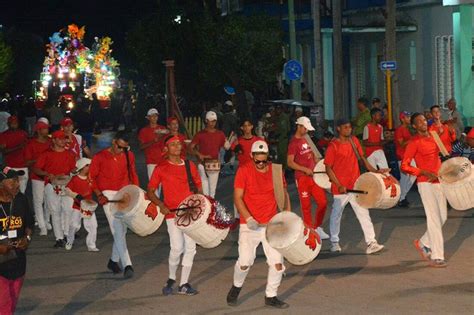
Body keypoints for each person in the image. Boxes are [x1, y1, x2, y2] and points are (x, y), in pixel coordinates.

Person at [226, 140, 291, 309]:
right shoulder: (244, 170)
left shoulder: (276, 171)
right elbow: (237, 197)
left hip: (271, 224)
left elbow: (284, 195)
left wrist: (287, 216)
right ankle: (236, 286)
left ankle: (271, 296)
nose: (261, 164)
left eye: (264, 160)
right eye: (258, 160)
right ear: (251, 156)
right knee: (245, 262)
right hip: (250, 225)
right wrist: (248, 218)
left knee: (277, 265)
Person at [147, 135, 203, 296]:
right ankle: (171, 278)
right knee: (177, 248)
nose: (177, 146)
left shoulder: (189, 165)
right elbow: (150, 191)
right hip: (171, 213)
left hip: (190, 212)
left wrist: (199, 201)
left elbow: (198, 185)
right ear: (166, 149)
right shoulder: (161, 167)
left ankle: (184, 284)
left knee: (191, 248)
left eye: (179, 144)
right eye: (173, 144)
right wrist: (161, 205)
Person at [324, 118, 386, 254]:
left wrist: (375, 171)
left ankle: (371, 243)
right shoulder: (333, 146)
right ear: (338, 129)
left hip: (356, 185)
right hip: (341, 189)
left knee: (364, 213)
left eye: (350, 127)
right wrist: (339, 185)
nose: (349, 129)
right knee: (336, 215)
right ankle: (334, 242)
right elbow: (328, 168)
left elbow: (363, 159)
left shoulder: (354, 141)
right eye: (345, 127)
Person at [89, 131, 139, 278]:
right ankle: (128, 265)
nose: (122, 150)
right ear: (114, 142)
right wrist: (99, 194)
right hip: (108, 195)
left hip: (125, 193)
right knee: (117, 229)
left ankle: (113, 261)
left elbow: (133, 174)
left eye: (125, 148)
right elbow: (91, 178)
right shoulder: (100, 157)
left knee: (122, 230)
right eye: (120, 146)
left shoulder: (129, 155)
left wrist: (138, 193)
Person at [401, 113, 448, 268]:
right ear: (414, 126)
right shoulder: (414, 142)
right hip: (425, 182)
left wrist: (444, 129)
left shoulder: (434, 134)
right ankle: (437, 256)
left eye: (423, 120)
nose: (423, 123)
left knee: (443, 217)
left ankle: (423, 242)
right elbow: (405, 166)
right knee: (433, 217)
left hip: (439, 180)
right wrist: (422, 172)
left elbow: (447, 148)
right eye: (419, 122)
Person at [33, 130, 76, 248]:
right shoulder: (46, 154)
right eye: (60, 138)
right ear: (54, 140)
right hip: (51, 186)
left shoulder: (70, 154)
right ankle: (59, 238)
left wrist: (76, 171)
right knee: (55, 212)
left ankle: (67, 234)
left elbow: (73, 168)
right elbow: (36, 169)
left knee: (68, 210)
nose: (63, 140)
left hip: (67, 185)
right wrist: (47, 174)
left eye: (64, 138)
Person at [287, 116, 329, 239]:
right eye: (305, 128)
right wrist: (304, 169)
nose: (307, 131)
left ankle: (317, 227)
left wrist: (319, 165)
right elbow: (289, 162)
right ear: (299, 126)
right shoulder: (293, 143)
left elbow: (315, 155)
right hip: (302, 178)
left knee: (323, 202)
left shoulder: (308, 139)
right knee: (306, 206)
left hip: (314, 177)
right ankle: (310, 230)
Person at [0, 168, 34, 315]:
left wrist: (27, 238)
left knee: (13, 297)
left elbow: (29, 224)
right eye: (12, 181)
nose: (17, 184)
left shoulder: (21, 199)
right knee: (4, 299)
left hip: (17, 257)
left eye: (17, 180)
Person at [190, 111, 229, 198]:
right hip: (202, 163)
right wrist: (199, 154)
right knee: (205, 190)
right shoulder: (200, 134)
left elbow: (226, 147)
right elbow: (190, 147)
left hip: (214, 164)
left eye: (214, 121)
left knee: (212, 191)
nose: (212, 123)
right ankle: (208, 208)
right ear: (206, 120)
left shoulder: (220, 134)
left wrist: (228, 145)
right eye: (210, 121)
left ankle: (211, 209)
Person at [64, 158, 99, 252]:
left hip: (89, 206)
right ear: (82, 167)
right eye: (87, 165)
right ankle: (69, 241)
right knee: (74, 225)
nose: (90, 167)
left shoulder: (90, 179)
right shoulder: (75, 179)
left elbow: (95, 188)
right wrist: (75, 195)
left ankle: (91, 245)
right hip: (77, 206)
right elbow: (67, 190)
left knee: (92, 226)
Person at [0, 116, 29, 193]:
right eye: (12, 123)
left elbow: (27, 148)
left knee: (22, 191)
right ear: (8, 124)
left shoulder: (24, 133)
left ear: (18, 123)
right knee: (8, 191)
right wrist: (18, 147)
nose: (13, 125)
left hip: (22, 166)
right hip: (9, 167)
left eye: (15, 123)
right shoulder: (3, 135)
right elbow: (4, 151)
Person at [138, 108, 168, 179]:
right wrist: (154, 141)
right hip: (151, 162)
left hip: (163, 160)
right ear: (148, 118)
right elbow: (141, 146)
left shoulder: (163, 129)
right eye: (152, 116)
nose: (154, 118)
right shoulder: (144, 131)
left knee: (161, 185)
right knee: (153, 186)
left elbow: (167, 142)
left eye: (156, 116)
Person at [394, 111, 415, 207]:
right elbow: (401, 144)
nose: (409, 118)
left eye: (409, 116)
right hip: (402, 156)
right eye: (407, 117)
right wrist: (412, 139)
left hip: (409, 156)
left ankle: (402, 196)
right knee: (405, 178)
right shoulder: (399, 130)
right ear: (402, 119)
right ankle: (402, 197)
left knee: (413, 175)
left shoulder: (408, 129)